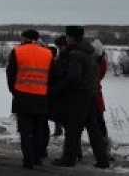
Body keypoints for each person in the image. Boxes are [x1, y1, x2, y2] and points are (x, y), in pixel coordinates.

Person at [51, 26, 109, 169]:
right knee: (93, 128)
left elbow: (73, 76)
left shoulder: (75, 54)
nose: (67, 39)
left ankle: (68, 159)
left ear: (72, 37)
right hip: (90, 93)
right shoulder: (89, 51)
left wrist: (58, 88)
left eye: (68, 36)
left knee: (72, 128)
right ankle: (102, 159)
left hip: (78, 95)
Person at [6, 29, 53, 169]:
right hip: (42, 97)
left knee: (25, 131)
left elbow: (11, 74)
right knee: (39, 130)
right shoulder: (48, 53)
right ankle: (37, 157)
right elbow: (52, 76)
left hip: (22, 96)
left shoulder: (17, 51)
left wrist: (14, 91)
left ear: (25, 38)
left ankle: (28, 160)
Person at [91, 38, 114, 162]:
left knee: (99, 123)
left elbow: (95, 77)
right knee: (100, 124)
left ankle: (104, 150)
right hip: (96, 97)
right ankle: (104, 150)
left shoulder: (98, 63)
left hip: (93, 97)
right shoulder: (101, 62)